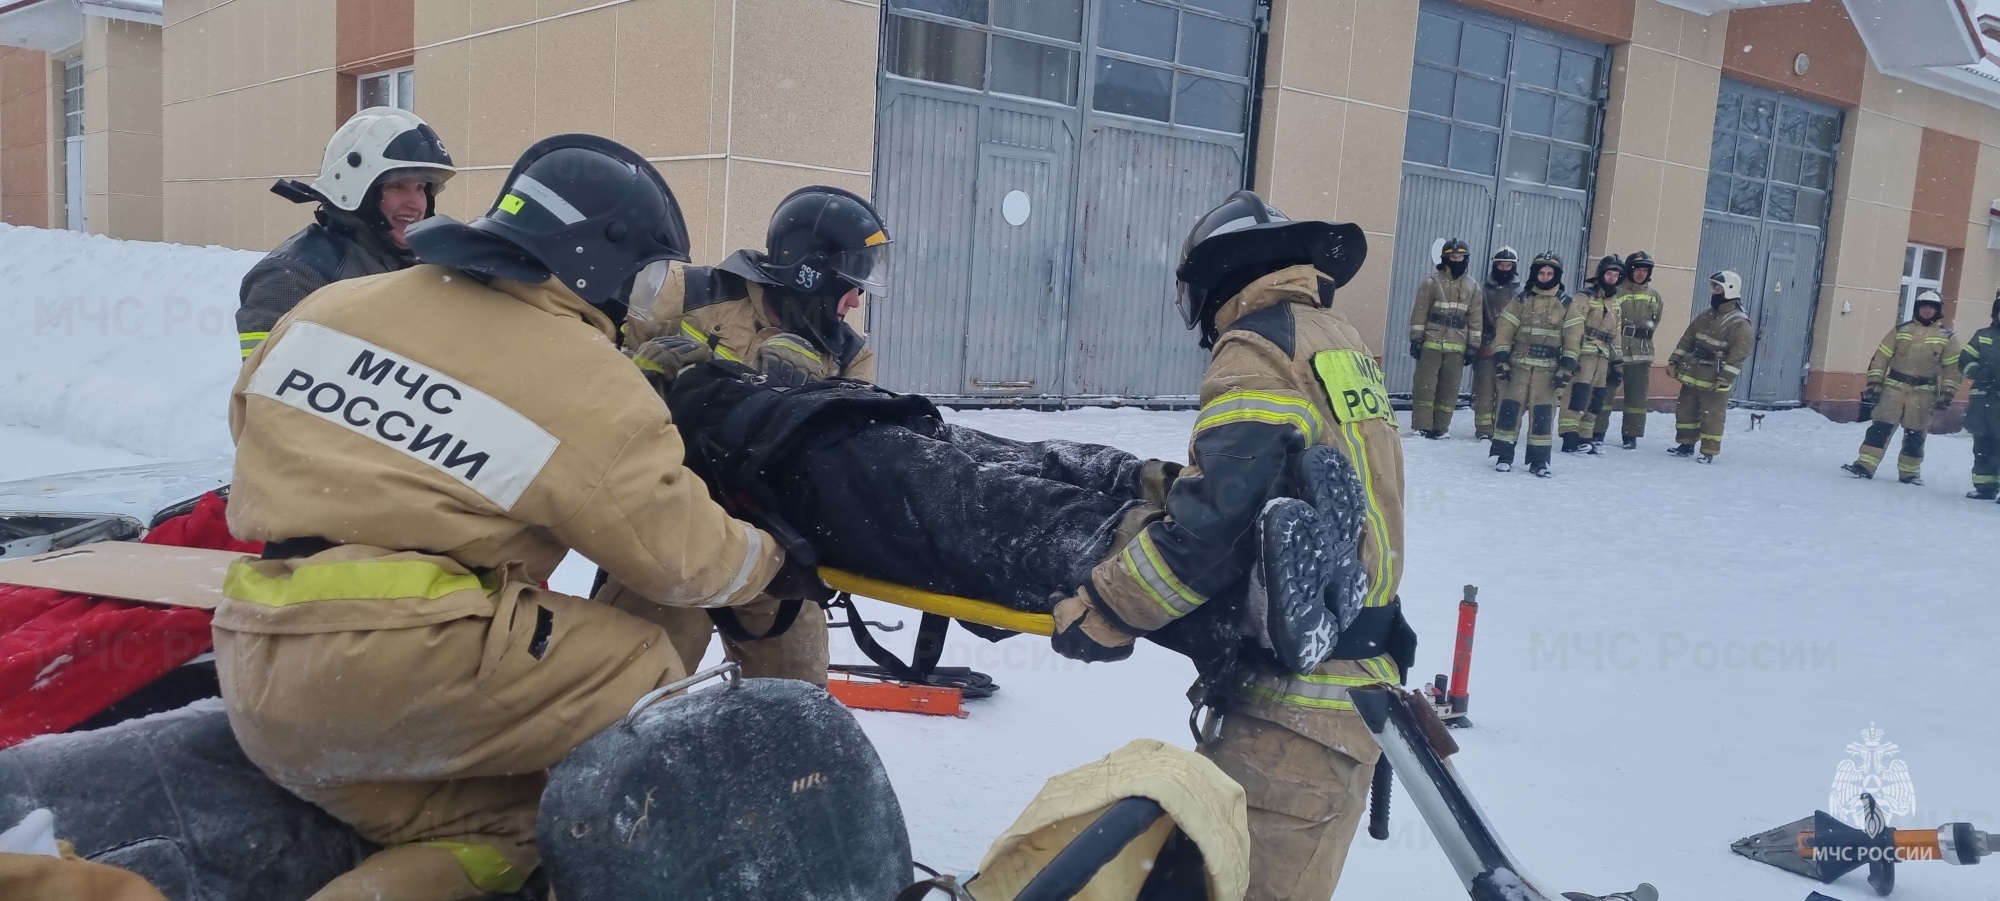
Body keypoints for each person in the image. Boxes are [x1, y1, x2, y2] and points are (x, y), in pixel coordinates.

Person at [213, 134, 815, 901]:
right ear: (601, 263)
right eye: (642, 280)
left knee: (509, 823)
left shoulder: (329, 307)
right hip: (396, 660)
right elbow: (677, 556)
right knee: (644, 671)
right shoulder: (585, 374)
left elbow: (253, 431)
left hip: (261, 667)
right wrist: (771, 559)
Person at [603, 186, 889, 687]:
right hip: (668, 535)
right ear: (811, 271)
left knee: (795, 694)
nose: (856, 300)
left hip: (770, 548)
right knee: (631, 695)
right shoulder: (681, 292)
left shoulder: (849, 355)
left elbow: (844, 464)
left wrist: (801, 400)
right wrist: (642, 376)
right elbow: (586, 391)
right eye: (849, 281)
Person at [235, 107, 455, 359]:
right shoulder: (292, 276)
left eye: (420, 187)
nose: (417, 204)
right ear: (355, 190)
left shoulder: (420, 262)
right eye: (397, 186)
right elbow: (268, 387)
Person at [1841, 289, 1962, 484]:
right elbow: (1881, 358)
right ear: (1917, 309)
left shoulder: (1947, 337)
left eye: (1931, 308)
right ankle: (1864, 465)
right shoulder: (1900, 330)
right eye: (1924, 307)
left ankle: (1910, 473)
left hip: (1924, 393)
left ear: (1938, 311)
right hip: (1893, 388)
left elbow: (1953, 368)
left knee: (1916, 434)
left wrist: (1948, 392)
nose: (1927, 311)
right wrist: (1874, 383)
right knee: (1880, 427)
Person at [1488, 252, 1580, 477]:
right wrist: (1501, 359)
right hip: (1518, 367)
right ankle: (1504, 455)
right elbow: (1504, 330)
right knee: (1509, 411)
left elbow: (1574, 336)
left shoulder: (1567, 304)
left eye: (1550, 273)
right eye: (1542, 272)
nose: (1545, 276)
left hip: (1547, 371)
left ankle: (1539, 461)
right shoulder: (1521, 300)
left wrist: (1566, 366)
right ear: (1535, 274)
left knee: (1543, 416)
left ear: (1556, 275)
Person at [1665, 271, 1754, 463]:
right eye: (1713, 287)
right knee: (1685, 410)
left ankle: (1708, 450)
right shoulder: (1706, 315)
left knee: (1712, 416)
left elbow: (1738, 356)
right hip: (1692, 373)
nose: (1713, 291)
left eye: (1718, 288)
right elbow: (1687, 339)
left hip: (1714, 378)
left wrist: (1725, 379)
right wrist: (1674, 361)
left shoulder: (1739, 323)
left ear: (1730, 290)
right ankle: (1686, 444)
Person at [1407, 238, 1481, 439]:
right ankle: (1422, 426)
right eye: (1453, 256)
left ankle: (1440, 428)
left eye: (1460, 256)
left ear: (1466, 259)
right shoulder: (1431, 282)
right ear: (1445, 258)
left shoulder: (1472, 286)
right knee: (1425, 386)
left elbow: (1476, 318)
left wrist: (1473, 346)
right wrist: (1416, 339)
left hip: (1457, 345)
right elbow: (1419, 312)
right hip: (1431, 341)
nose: (1456, 260)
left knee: (1449, 389)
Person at [1558, 255, 1625, 454]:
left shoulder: (1614, 303)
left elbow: (1616, 335)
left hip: (1602, 357)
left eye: (1616, 275)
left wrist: (1618, 363)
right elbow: (1573, 327)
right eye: (1609, 273)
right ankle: (1569, 435)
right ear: (1601, 275)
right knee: (1576, 395)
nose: (1612, 278)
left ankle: (1585, 436)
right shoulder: (1584, 297)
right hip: (1583, 355)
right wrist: (1570, 356)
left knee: (1596, 398)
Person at [1601, 250, 1663, 449]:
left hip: (1642, 352)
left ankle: (1631, 435)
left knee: (1637, 396)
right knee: (1606, 393)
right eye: (1637, 269)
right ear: (1629, 270)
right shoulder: (1617, 292)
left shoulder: (1654, 296)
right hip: (1616, 350)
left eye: (1645, 270)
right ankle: (1597, 431)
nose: (1641, 274)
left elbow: (1656, 320)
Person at [1472, 246, 1519, 440]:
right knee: (1484, 388)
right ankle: (1483, 429)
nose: (1505, 268)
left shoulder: (1520, 292)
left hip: (1511, 349)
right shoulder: (1482, 289)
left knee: (1505, 388)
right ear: (1495, 265)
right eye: (1501, 265)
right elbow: (1476, 316)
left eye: (1508, 265)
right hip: (1486, 345)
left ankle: (1501, 426)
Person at [1963, 294, 2000, 501]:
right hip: (1983, 402)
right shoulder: (1983, 335)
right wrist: (1978, 372)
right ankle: (1985, 487)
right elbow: (1965, 359)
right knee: (1983, 445)